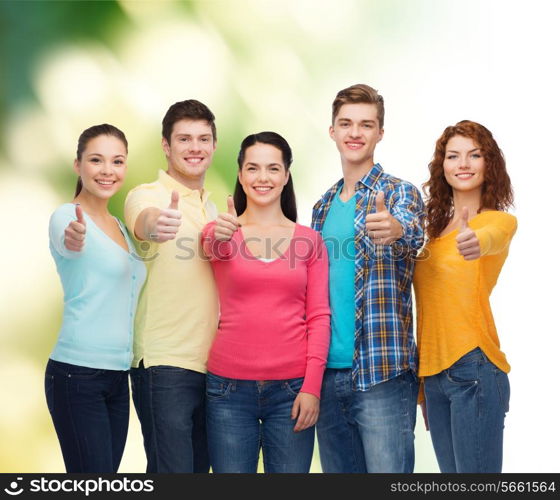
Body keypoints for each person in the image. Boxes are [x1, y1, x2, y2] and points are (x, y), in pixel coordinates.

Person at [201, 131, 330, 473]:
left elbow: (319, 317)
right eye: (253, 168)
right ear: (241, 175)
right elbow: (213, 247)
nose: (263, 178)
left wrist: (312, 387)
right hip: (228, 391)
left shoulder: (310, 241)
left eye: (273, 168)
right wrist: (220, 234)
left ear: (286, 176)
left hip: (292, 392)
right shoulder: (221, 231)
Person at [311, 84, 425, 473]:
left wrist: (394, 229)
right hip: (327, 375)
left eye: (366, 124)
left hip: (383, 372)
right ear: (332, 131)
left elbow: (411, 235)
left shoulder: (399, 194)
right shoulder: (322, 206)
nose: (355, 133)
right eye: (346, 124)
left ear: (380, 133)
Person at [413, 120, 516, 473]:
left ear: (489, 164)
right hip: (435, 376)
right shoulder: (432, 233)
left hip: (474, 367)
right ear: (442, 166)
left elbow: (492, 239)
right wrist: (426, 385)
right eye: (454, 156)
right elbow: (428, 308)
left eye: (475, 155)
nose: (464, 164)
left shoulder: (497, 222)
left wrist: (476, 242)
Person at [124, 100, 219, 473]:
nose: (195, 147)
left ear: (214, 146)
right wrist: (156, 225)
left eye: (203, 138)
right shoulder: (147, 195)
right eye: (184, 139)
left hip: (212, 367)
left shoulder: (213, 211)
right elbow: (144, 222)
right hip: (164, 365)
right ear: (166, 145)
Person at [45, 124, 146, 473]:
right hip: (77, 375)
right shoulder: (66, 217)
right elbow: (67, 240)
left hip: (118, 377)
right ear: (78, 165)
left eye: (117, 161)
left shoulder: (119, 226)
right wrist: (74, 238)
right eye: (96, 160)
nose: (107, 170)